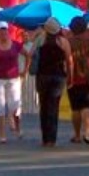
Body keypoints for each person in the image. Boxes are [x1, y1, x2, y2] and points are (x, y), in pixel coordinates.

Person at [0, 22, 26, 144]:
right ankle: (2, 135)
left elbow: (27, 55)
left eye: (5, 30)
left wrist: (25, 71)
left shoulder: (15, 45)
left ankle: (18, 128)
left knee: (15, 105)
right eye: (0, 31)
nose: (3, 33)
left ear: (8, 31)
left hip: (13, 79)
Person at [34, 17, 72, 147]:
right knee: (53, 106)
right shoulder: (63, 42)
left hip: (42, 76)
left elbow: (31, 54)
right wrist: (70, 76)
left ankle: (45, 138)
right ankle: (52, 138)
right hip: (58, 76)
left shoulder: (40, 40)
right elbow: (69, 60)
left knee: (43, 106)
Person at [67, 16, 89, 145]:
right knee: (87, 106)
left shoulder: (68, 42)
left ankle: (77, 135)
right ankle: (87, 133)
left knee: (76, 108)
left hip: (73, 78)